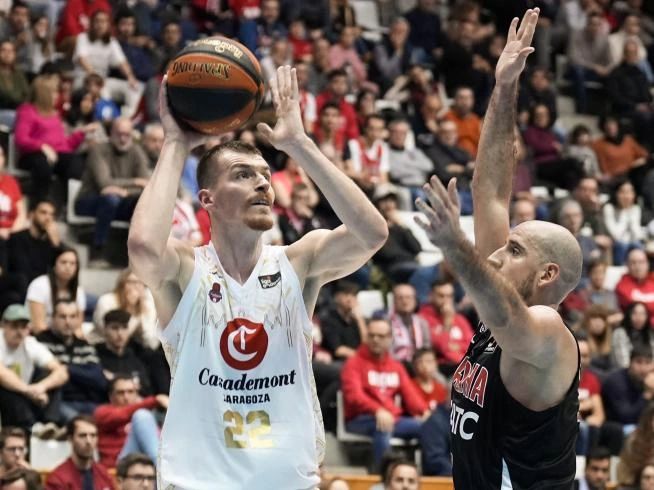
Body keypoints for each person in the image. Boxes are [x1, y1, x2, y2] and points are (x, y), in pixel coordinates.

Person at [127, 65, 388, 488]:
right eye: (243, 175)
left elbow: (372, 233)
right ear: (206, 199)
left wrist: (299, 145)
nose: (262, 184)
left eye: (265, 175)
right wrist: (175, 144)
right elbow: (141, 249)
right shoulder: (186, 270)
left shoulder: (297, 262)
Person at [414, 9, 582, 488]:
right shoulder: (499, 319)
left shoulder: (548, 333)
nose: (494, 254)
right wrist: (505, 86)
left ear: (547, 275)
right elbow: (489, 192)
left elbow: (509, 315)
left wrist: (454, 243)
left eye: (513, 250)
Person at [341, 318, 428, 468]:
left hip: (393, 419)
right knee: (383, 426)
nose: (375, 340)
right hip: (360, 419)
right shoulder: (353, 363)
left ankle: (433, 476)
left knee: (430, 428)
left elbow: (410, 394)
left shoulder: (396, 366)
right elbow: (354, 396)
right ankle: (385, 476)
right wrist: (377, 410)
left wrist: (425, 411)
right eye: (371, 335)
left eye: (380, 336)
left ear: (390, 339)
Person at [75, 117, 150, 267]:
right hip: (88, 200)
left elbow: (147, 185)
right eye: (119, 134)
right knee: (111, 199)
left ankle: (136, 256)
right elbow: (104, 184)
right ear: (111, 133)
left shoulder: (137, 152)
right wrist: (134, 182)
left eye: (127, 135)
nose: (123, 139)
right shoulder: (99, 150)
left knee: (143, 203)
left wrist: (126, 192)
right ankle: (98, 253)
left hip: (121, 201)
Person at [0, 304, 68, 430]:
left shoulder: (30, 343)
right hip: (8, 396)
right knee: (7, 389)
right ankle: (31, 427)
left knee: (48, 376)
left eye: (24, 327)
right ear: (3, 325)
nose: (19, 332)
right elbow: (2, 374)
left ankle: (50, 424)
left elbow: (61, 372)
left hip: (27, 393)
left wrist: (41, 387)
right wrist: (29, 391)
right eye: (14, 326)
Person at [37, 299, 107, 420]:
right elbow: (45, 376)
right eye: (63, 317)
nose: (68, 322)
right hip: (59, 403)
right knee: (80, 425)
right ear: (53, 318)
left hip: (89, 402)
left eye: (72, 316)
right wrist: (82, 373)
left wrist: (67, 369)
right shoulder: (41, 343)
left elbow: (99, 379)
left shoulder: (84, 345)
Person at [94, 375, 167, 469]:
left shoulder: (145, 419)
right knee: (141, 415)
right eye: (120, 393)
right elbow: (122, 415)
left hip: (145, 465)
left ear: (137, 394)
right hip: (119, 468)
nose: (126, 397)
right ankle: (162, 470)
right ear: (111, 396)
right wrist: (156, 400)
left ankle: (162, 469)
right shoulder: (102, 412)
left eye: (130, 392)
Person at [417, 279, 474, 376]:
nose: (446, 300)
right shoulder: (423, 318)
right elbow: (440, 347)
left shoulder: (460, 319)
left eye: (449, 296)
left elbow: (473, 346)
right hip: (441, 368)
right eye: (441, 296)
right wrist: (447, 324)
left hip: (465, 365)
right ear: (431, 296)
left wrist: (454, 346)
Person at [89, 269, 157, 349]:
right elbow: (115, 336)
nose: (136, 287)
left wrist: (143, 312)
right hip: (102, 346)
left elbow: (151, 343)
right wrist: (131, 308)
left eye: (140, 283)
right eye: (131, 282)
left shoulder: (147, 304)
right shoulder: (106, 301)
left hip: (131, 350)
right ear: (122, 284)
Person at [25, 247, 86, 335]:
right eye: (63, 262)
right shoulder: (39, 285)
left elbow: (78, 328)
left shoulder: (79, 291)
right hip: (39, 337)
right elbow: (38, 326)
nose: (68, 267)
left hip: (66, 339)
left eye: (72, 263)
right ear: (54, 265)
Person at [44, 415, 114, 490]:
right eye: (82, 436)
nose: (89, 441)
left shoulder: (104, 475)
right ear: (70, 439)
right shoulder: (57, 479)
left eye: (93, 435)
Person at [601, 344, 654, 428]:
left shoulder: (650, 380)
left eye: (648, 362)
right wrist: (647, 394)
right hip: (619, 429)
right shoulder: (615, 381)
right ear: (630, 363)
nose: (643, 368)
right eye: (639, 362)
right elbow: (626, 418)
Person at [389, 285, 431, 365]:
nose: (405, 301)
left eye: (408, 297)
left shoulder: (422, 322)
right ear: (394, 301)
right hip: (396, 364)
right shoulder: (387, 323)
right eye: (400, 298)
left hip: (421, 365)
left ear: (415, 300)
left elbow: (427, 348)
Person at [617, 404, 654, 487]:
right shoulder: (635, 439)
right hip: (634, 483)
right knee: (649, 472)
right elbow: (629, 468)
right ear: (648, 420)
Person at [615, 249, 654, 323]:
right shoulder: (622, 285)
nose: (638, 267)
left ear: (647, 264)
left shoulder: (652, 280)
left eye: (641, 262)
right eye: (633, 263)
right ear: (627, 265)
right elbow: (637, 309)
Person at [612, 302, 654, 369]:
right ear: (628, 315)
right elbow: (623, 364)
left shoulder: (650, 333)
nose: (639, 317)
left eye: (643, 314)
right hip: (627, 374)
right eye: (635, 313)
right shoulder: (620, 333)